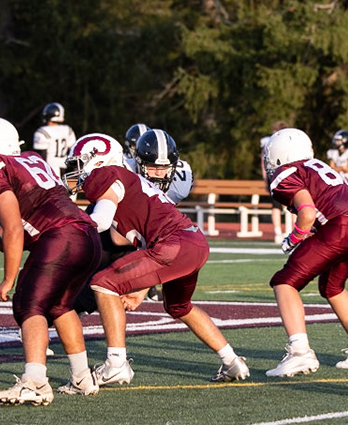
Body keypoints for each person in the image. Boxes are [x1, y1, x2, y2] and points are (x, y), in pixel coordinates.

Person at [66, 133, 250, 385]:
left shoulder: (106, 175)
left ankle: (116, 364)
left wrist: (64, 223)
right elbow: (121, 238)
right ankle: (232, 362)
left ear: (97, 160)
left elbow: (103, 220)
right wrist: (139, 286)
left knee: (102, 283)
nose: (75, 171)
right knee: (179, 307)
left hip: (171, 245)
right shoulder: (131, 181)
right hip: (194, 241)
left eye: (79, 163)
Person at [0, 115, 103, 405]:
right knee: (60, 306)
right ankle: (81, 377)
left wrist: (9, 278)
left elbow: (14, 227)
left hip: (61, 236)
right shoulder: (31, 160)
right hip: (87, 234)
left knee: (29, 304)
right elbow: (28, 222)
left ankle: (35, 382)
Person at [261, 127, 348, 375]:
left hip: (342, 226)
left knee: (285, 282)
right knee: (332, 288)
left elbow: (306, 212)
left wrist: (294, 238)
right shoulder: (319, 166)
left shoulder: (287, 172)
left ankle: (300, 352)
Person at [130, 127, 195, 204]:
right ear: (139, 163)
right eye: (153, 167)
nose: (159, 173)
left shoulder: (179, 188)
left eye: (164, 167)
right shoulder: (126, 169)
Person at [32, 102, 77, 176]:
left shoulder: (42, 131)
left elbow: (41, 154)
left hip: (50, 168)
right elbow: (73, 150)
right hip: (65, 166)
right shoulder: (67, 129)